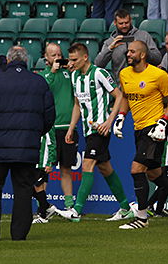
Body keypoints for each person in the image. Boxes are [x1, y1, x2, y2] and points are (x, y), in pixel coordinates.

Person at [0, 46, 55, 241]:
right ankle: (19, 234)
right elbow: (49, 116)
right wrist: (34, 133)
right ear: (26, 61)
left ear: (8, 60)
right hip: (26, 147)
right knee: (23, 190)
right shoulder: (39, 82)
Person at [113, 40, 168, 229]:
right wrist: (121, 117)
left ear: (142, 55)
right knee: (154, 173)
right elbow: (126, 96)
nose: (128, 55)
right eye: (128, 52)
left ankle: (141, 218)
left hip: (154, 128)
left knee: (136, 170)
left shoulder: (158, 75)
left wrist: (163, 121)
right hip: (138, 128)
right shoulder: (125, 74)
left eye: (132, 52)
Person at [57, 43, 134, 223]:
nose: (72, 63)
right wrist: (71, 127)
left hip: (100, 128)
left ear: (85, 57)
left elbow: (119, 96)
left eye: (75, 60)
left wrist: (109, 122)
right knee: (104, 167)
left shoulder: (99, 73)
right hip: (88, 129)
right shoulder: (74, 76)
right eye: (70, 59)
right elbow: (77, 104)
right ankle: (125, 207)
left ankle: (76, 211)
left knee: (87, 165)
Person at [39, 43, 77, 209]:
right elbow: (45, 89)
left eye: (59, 55)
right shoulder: (43, 75)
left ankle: (69, 206)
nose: (57, 58)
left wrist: (72, 69)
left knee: (66, 168)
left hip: (68, 127)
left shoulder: (69, 73)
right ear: (46, 58)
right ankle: (43, 206)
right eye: (53, 55)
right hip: (50, 129)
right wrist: (53, 72)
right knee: (46, 169)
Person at [95, 9, 162, 82]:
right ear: (115, 23)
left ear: (130, 21)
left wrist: (143, 50)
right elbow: (98, 64)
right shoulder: (110, 42)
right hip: (122, 86)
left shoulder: (144, 36)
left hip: (144, 83)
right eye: (121, 23)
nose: (124, 26)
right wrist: (110, 49)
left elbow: (157, 59)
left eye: (126, 23)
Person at [32, 127, 57, 224]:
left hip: (42, 163)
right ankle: (47, 207)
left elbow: (52, 144)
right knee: (31, 188)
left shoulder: (47, 126)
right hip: (34, 161)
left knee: (38, 187)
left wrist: (50, 162)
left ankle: (43, 216)